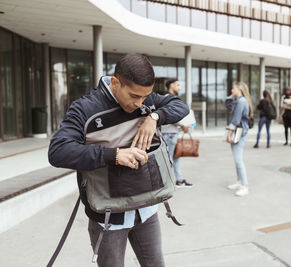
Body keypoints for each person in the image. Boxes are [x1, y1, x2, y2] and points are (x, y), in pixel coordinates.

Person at [48, 54, 189, 267]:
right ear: (115, 82)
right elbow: (58, 151)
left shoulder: (146, 100)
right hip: (108, 218)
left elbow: (180, 106)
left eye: (145, 97)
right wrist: (114, 155)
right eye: (134, 96)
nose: (140, 103)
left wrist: (154, 117)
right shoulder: (84, 109)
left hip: (147, 209)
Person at [161, 78, 193, 188]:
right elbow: (169, 116)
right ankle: (165, 183)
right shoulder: (166, 99)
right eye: (178, 85)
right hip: (168, 133)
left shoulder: (173, 99)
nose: (180, 87)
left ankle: (178, 180)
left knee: (175, 157)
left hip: (173, 133)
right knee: (168, 159)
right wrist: (182, 125)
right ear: (172, 85)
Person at [225, 82, 253, 197]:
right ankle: (239, 182)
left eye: (233, 88)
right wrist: (231, 96)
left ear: (239, 89)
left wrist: (229, 133)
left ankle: (245, 186)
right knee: (237, 158)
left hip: (239, 132)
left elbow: (236, 119)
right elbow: (227, 104)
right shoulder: (239, 100)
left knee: (238, 159)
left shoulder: (241, 102)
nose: (231, 90)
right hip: (239, 131)